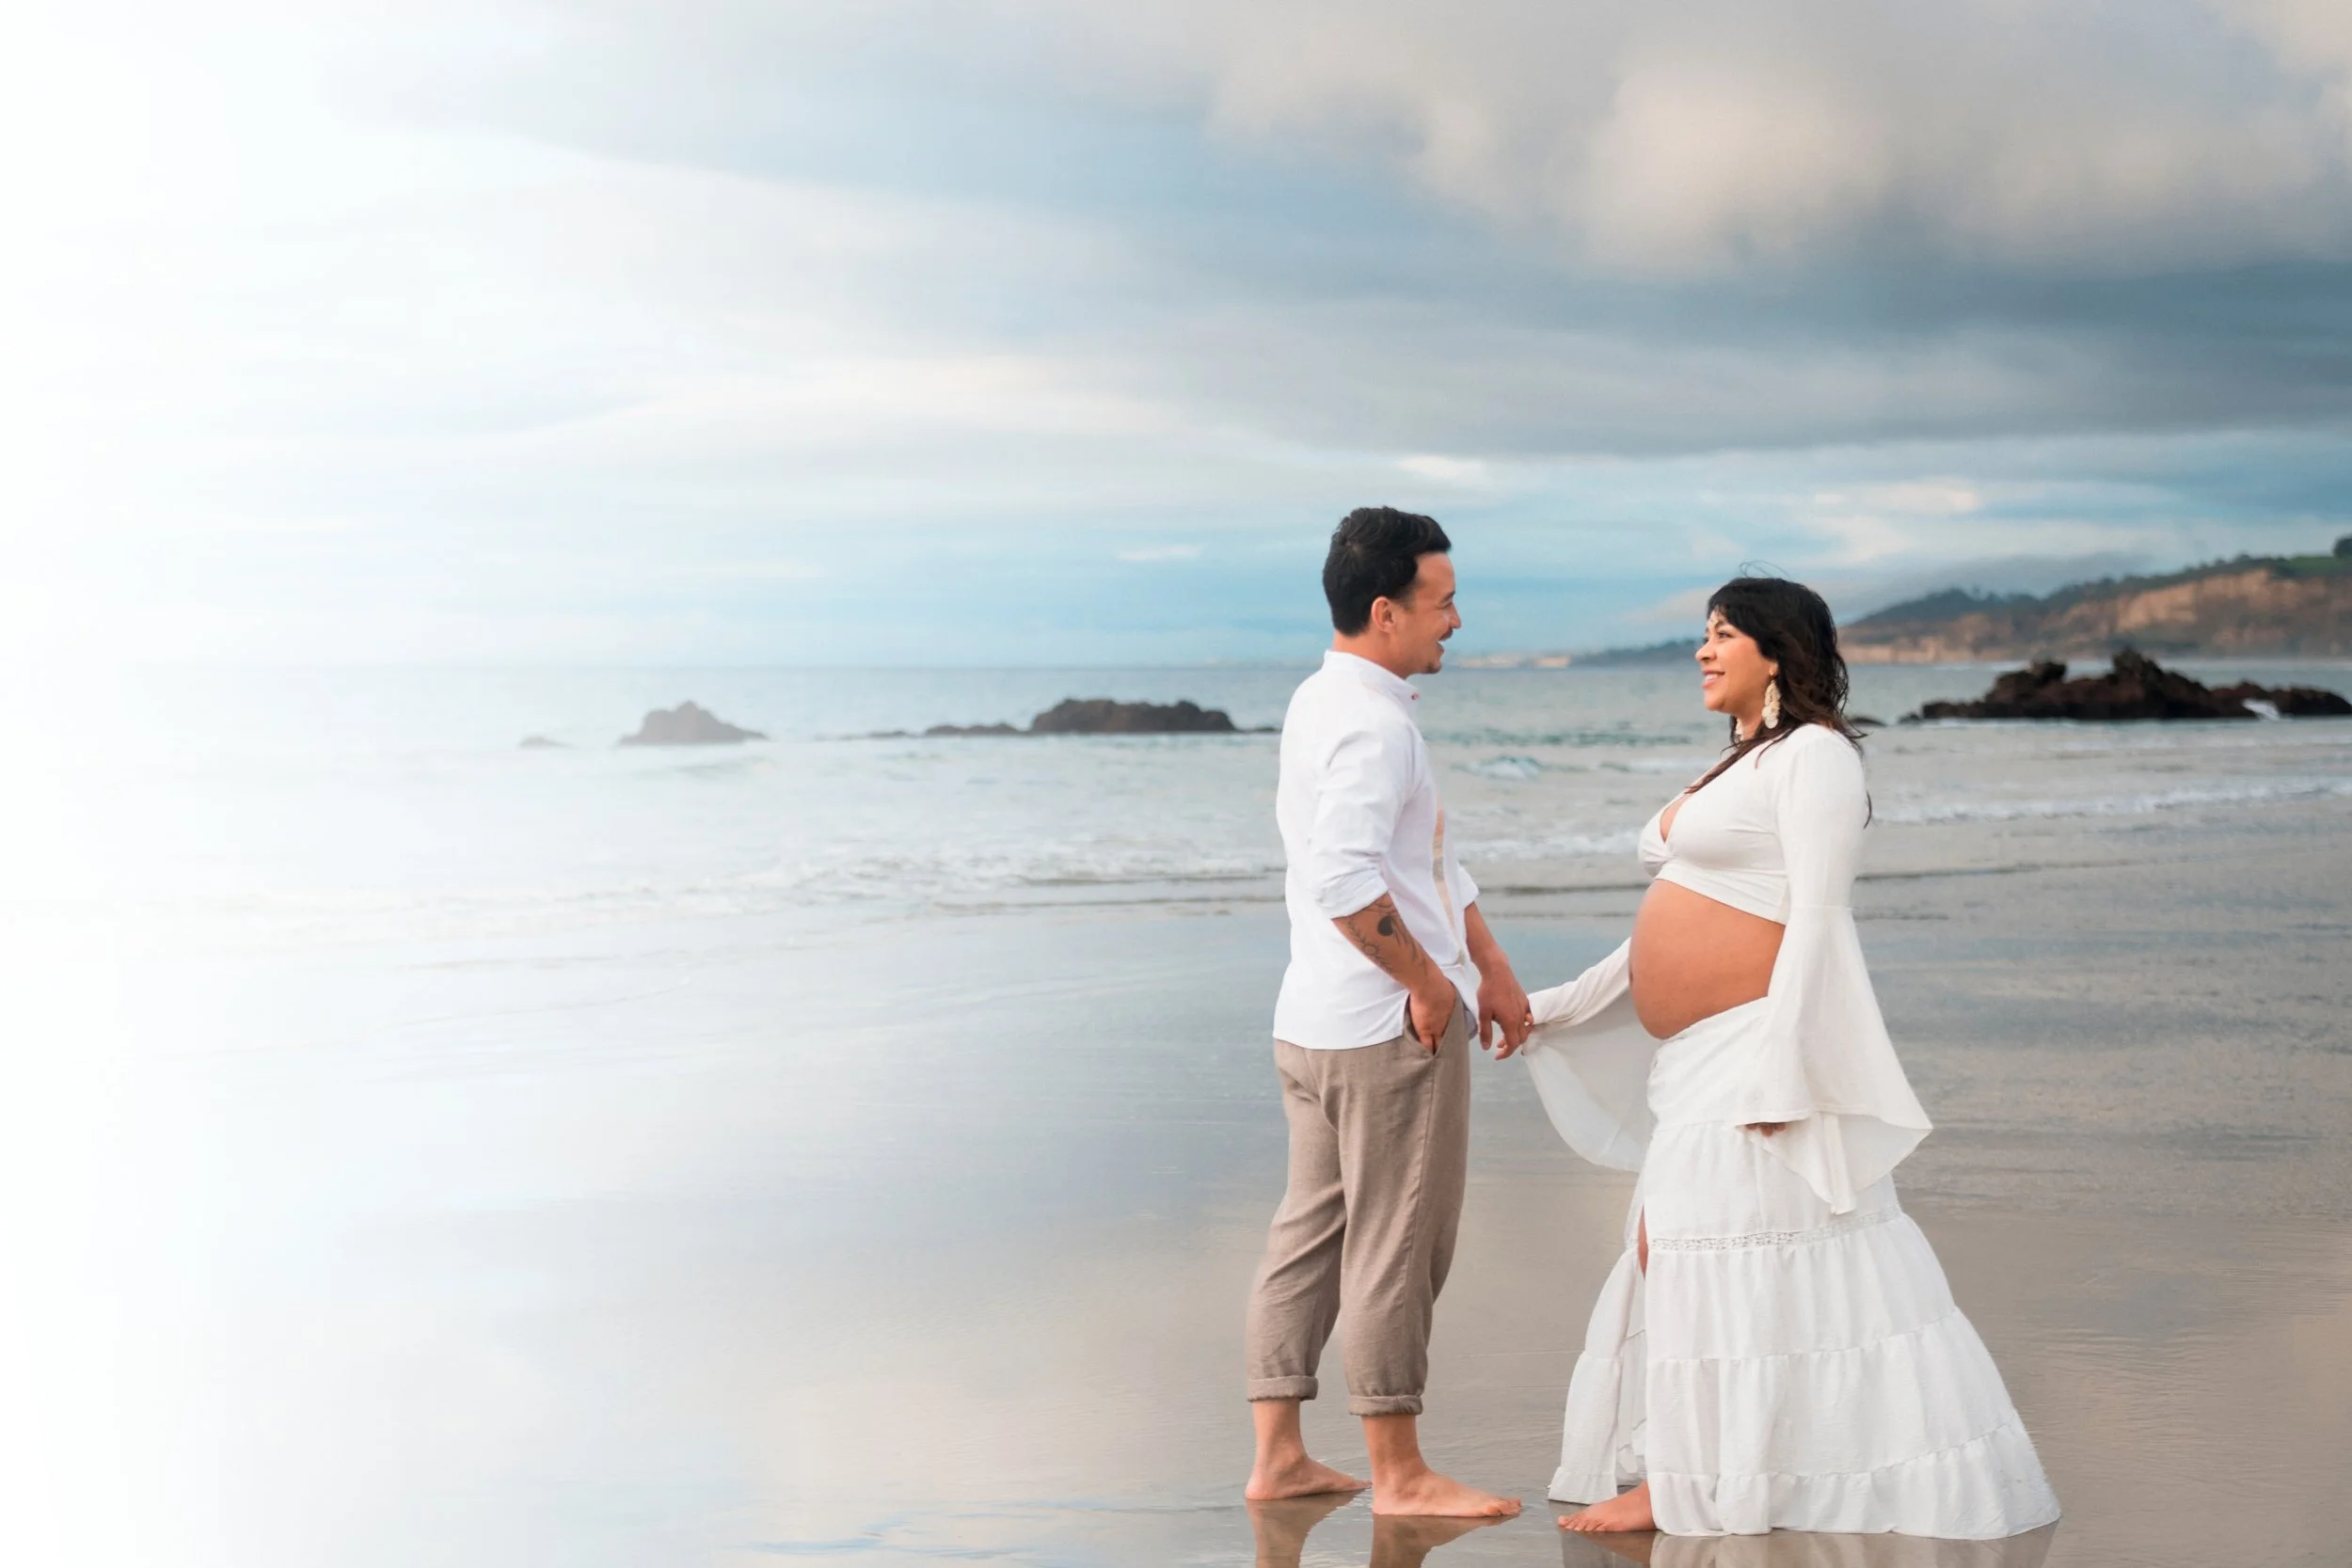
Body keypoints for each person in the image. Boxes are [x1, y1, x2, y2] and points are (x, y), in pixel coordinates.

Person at [1518, 576, 2061, 1539]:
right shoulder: (1739, 763)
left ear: (1777, 653)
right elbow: (1659, 933)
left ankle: (1683, 1481)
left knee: (1693, 1250)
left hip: (1755, 1044)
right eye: (1702, 632)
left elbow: (1815, 917)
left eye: (1723, 633)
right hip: (1691, 1057)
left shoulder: (1815, 756)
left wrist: (1789, 1066)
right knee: (1687, 1251)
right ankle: (1713, 1466)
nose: (1702, 649)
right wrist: (1549, 1006)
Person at [1242, 506, 1534, 1517]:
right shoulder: (1372, 723)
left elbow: (1426, 862)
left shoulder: (1326, 701)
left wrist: (1486, 961)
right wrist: (1427, 981)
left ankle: (1279, 1457)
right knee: (1397, 1242)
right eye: (1441, 601)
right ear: (1384, 610)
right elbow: (1344, 875)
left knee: (1310, 1233)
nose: (1455, 619)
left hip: (1312, 1020)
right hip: (1382, 1027)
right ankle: (1400, 1473)